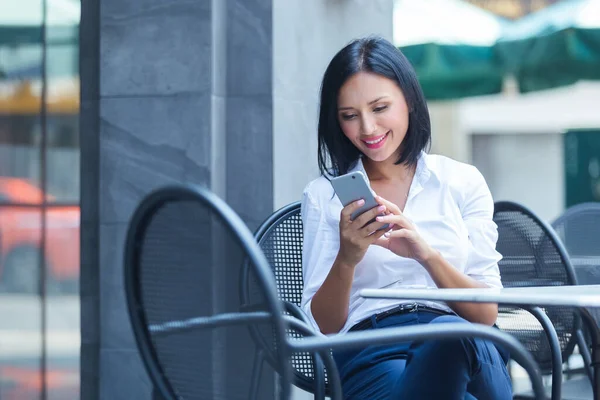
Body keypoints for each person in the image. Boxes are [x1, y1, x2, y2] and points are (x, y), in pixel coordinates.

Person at [300, 36, 512, 400]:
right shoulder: (324, 196)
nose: (367, 129)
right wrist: (347, 260)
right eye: (349, 116)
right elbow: (325, 328)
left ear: (410, 101)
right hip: (376, 350)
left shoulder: (461, 181)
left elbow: (485, 314)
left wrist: (425, 255)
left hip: (469, 346)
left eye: (380, 107)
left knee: (452, 336)